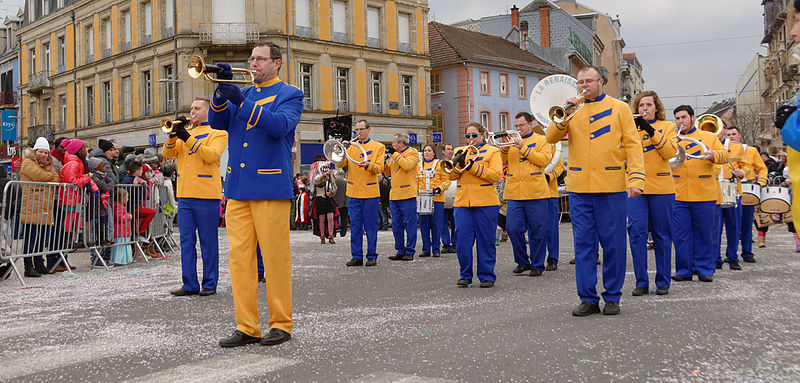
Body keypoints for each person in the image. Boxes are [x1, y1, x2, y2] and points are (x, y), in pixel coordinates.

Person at [209, 41, 303, 347]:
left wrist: (242, 102)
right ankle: (246, 325)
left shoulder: (290, 94)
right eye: (251, 59)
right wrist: (221, 91)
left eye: (260, 59)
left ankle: (281, 323)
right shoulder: (244, 92)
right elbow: (217, 123)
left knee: (275, 259)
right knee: (239, 261)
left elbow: (279, 126)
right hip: (238, 188)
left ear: (277, 63)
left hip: (269, 187)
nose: (253, 63)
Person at [544, 66, 645, 316]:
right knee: (583, 246)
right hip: (579, 188)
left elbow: (633, 146)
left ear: (601, 81)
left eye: (588, 81)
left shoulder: (619, 108)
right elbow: (549, 138)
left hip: (611, 186)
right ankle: (588, 298)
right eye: (580, 82)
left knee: (613, 244)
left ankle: (612, 296)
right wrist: (564, 114)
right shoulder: (572, 110)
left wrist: (636, 179)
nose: (583, 86)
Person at [163, 97, 229, 297]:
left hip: (207, 195)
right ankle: (189, 283)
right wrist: (174, 135)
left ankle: (210, 282)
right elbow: (167, 153)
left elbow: (211, 156)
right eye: (191, 107)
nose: (192, 111)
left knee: (208, 242)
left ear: (209, 111)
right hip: (184, 194)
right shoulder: (187, 132)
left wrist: (187, 138)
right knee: (186, 241)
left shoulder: (218, 132)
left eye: (197, 108)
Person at [626, 91, 678, 296]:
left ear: (657, 108)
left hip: (661, 187)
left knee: (661, 234)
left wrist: (649, 130)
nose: (644, 109)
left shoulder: (667, 127)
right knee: (636, 232)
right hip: (635, 186)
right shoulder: (630, 129)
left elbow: (670, 152)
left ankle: (663, 281)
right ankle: (641, 281)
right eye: (641, 106)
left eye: (648, 105)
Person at [670, 105, 729, 283]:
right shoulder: (673, 138)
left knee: (705, 233)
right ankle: (684, 270)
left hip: (704, 193)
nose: (680, 121)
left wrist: (713, 155)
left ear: (692, 118)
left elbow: (725, 155)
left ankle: (704, 269)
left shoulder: (709, 137)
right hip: (678, 194)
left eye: (683, 117)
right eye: (678, 118)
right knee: (680, 235)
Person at [448, 122, 503, 288]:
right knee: (462, 240)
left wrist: (471, 166)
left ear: (482, 135)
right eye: (467, 136)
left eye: (474, 135)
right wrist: (458, 166)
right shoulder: (460, 151)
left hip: (486, 202)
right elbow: (450, 176)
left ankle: (486, 275)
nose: (471, 139)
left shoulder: (493, 151)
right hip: (463, 202)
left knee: (486, 240)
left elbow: (494, 175)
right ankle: (465, 274)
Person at [500, 112, 552, 276]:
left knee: (538, 231)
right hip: (514, 193)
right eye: (516, 126)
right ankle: (522, 262)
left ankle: (537, 264)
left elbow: (543, 160)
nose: (518, 129)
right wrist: (504, 148)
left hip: (536, 192)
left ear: (531, 124)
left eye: (521, 125)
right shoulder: (511, 142)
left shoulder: (542, 140)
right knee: (513, 229)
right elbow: (502, 162)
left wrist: (523, 148)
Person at [337, 119, 385, 267]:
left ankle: (372, 255)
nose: (358, 132)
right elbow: (339, 164)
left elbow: (379, 167)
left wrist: (369, 165)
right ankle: (356, 256)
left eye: (361, 129)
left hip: (370, 192)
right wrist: (341, 150)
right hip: (353, 192)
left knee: (371, 226)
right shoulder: (351, 146)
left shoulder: (378, 147)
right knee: (356, 226)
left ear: (369, 129)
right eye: (357, 130)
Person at [19, 137, 61, 277]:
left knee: (42, 237)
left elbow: (57, 178)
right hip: (31, 204)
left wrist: (46, 176)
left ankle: (38, 263)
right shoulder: (27, 162)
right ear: (35, 151)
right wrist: (47, 176)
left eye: (46, 152)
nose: (43, 155)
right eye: (41, 152)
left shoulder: (46, 164)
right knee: (31, 236)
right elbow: (38, 176)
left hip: (44, 206)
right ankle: (28, 266)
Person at [59, 139, 98, 271]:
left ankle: (77, 239)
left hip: (75, 198)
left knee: (75, 221)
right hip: (70, 198)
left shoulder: (77, 162)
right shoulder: (73, 163)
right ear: (77, 150)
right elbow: (73, 181)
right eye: (84, 149)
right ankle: (68, 241)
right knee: (69, 223)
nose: (86, 151)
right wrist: (87, 177)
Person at [729, 127, 768, 255]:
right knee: (732, 224)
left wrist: (760, 183)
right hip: (732, 188)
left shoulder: (750, 150)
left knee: (747, 222)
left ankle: (747, 252)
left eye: (734, 134)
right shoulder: (724, 149)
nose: (731, 137)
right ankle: (731, 254)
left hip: (748, 187)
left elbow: (762, 168)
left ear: (739, 135)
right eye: (728, 134)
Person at [715, 126, 748, 270]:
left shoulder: (736, 147)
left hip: (732, 190)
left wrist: (742, 172)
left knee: (733, 226)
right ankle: (715, 258)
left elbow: (747, 166)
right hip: (714, 189)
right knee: (714, 227)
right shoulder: (707, 145)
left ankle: (733, 257)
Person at [384, 133, 419, 261]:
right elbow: (388, 172)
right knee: (396, 224)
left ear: (401, 143)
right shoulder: (394, 155)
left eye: (394, 142)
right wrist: (384, 162)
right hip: (394, 194)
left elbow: (407, 165)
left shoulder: (413, 153)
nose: (392, 145)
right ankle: (400, 249)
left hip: (408, 193)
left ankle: (410, 250)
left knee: (410, 224)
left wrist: (394, 154)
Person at [417, 144, 450, 257]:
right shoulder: (418, 166)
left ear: (434, 153)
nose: (426, 152)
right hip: (423, 199)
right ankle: (426, 249)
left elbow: (446, 181)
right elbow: (415, 180)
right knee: (424, 224)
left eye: (429, 150)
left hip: (437, 199)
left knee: (436, 224)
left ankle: (436, 248)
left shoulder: (440, 165)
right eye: (425, 151)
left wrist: (439, 188)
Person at [543, 135, 564, 271]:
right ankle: (535, 259)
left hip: (549, 191)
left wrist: (549, 177)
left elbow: (559, 166)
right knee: (535, 228)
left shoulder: (554, 142)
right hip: (532, 192)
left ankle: (552, 258)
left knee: (551, 227)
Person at [310, 158, 339, 244]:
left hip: (329, 199)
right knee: (321, 219)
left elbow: (335, 187)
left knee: (330, 218)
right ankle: (322, 236)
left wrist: (331, 193)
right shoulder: (316, 175)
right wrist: (325, 174)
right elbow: (317, 182)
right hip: (320, 199)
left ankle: (331, 236)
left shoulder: (331, 176)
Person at [440, 143, 457, 253]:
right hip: (443, 197)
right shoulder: (439, 164)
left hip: (455, 198)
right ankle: (446, 244)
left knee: (455, 222)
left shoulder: (456, 163)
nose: (450, 151)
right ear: (443, 151)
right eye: (448, 149)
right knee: (443, 223)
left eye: (451, 149)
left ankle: (455, 244)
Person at [111, 188, 134, 266]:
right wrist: (128, 216)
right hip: (120, 230)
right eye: (127, 197)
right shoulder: (118, 207)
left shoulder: (120, 206)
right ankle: (119, 260)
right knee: (121, 246)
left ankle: (124, 259)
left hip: (123, 230)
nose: (128, 199)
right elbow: (119, 217)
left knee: (124, 245)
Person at [333, 169, 349, 237]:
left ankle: (334, 232)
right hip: (345, 202)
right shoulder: (347, 182)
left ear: (338, 174)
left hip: (336, 202)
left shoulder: (335, 182)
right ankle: (343, 232)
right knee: (344, 218)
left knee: (334, 218)